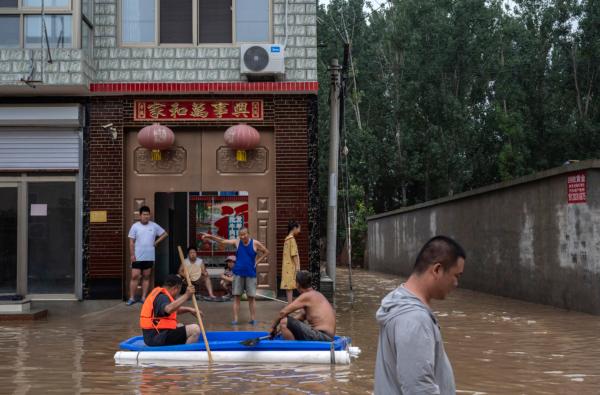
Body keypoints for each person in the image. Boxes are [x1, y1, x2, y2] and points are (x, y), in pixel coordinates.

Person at [374, 235, 466, 395]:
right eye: (456, 276)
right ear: (437, 270)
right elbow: (419, 388)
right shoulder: (414, 319)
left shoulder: (398, 301)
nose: (456, 283)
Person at [201, 228, 269, 325]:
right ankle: (236, 319)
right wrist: (210, 236)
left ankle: (253, 319)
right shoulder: (237, 242)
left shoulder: (255, 243)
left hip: (251, 274)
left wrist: (257, 262)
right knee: (237, 297)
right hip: (238, 274)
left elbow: (266, 251)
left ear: (248, 234)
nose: (243, 237)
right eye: (241, 235)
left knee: (251, 298)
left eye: (244, 234)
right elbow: (223, 241)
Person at [269, 271, 335, 341]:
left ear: (297, 284)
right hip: (327, 337)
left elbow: (283, 313)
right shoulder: (316, 294)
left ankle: (293, 350)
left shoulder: (306, 296)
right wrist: (280, 330)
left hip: (322, 337)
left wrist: (272, 327)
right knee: (286, 323)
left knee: (284, 322)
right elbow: (301, 317)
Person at [140, 274, 201, 346]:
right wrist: (186, 295)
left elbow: (174, 310)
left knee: (180, 325)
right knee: (195, 329)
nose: (178, 294)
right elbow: (169, 309)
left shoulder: (159, 294)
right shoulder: (162, 297)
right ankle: (184, 353)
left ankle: (180, 348)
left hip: (154, 335)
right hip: (156, 338)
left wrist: (189, 309)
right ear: (175, 288)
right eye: (179, 291)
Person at [127, 206, 168, 305]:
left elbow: (165, 234)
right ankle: (132, 298)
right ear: (140, 215)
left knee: (146, 277)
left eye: (148, 214)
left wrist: (156, 242)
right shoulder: (135, 226)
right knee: (135, 276)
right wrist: (132, 255)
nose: (146, 216)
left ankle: (144, 297)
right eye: (144, 214)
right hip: (137, 256)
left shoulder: (154, 226)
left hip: (149, 256)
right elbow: (131, 242)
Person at [281, 220, 301, 303]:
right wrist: (297, 267)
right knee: (294, 286)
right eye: (299, 228)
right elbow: (294, 254)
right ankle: (291, 305)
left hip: (286, 266)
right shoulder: (292, 239)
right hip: (291, 266)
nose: (299, 230)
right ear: (294, 228)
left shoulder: (286, 239)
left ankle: (290, 304)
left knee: (288, 287)